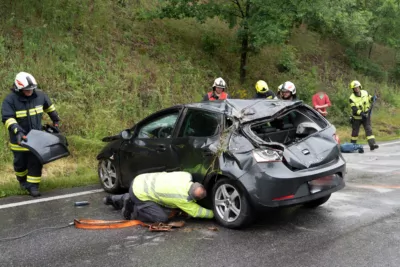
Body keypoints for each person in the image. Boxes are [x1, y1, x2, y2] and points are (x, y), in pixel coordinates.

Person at [1, 72, 61, 197]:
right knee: (20, 163)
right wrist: (17, 130)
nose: (29, 92)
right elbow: (8, 118)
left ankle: (33, 186)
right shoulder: (10, 100)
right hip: (19, 138)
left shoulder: (40, 95)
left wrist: (55, 120)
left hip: (36, 138)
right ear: (18, 88)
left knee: (36, 161)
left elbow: (49, 107)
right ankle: (23, 182)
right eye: (26, 90)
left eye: (31, 89)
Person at [103, 171, 214, 223]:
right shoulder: (182, 198)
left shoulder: (185, 175)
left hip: (139, 180)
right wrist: (214, 214)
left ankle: (112, 199)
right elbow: (197, 212)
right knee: (162, 218)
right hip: (140, 194)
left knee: (135, 194)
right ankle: (133, 210)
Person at [348, 80, 379, 151]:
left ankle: (372, 145)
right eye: (355, 88)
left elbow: (370, 98)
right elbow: (354, 109)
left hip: (366, 116)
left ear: (360, 87)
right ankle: (352, 146)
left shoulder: (365, 92)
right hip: (357, 118)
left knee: (369, 130)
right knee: (355, 133)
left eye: (357, 87)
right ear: (353, 89)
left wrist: (373, 98)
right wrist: (362, 113)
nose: (356, 89)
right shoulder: (351, 98)